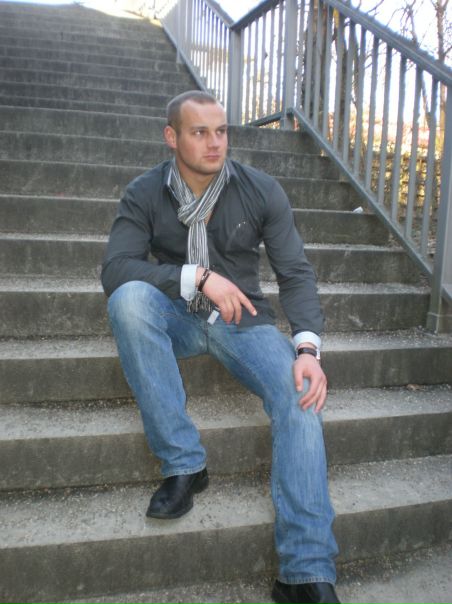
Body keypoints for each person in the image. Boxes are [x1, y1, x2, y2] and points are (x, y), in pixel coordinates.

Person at [101, 90, 341, 604]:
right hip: (178, 315)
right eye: (199, 132)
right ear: (172, 137)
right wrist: (198, 276)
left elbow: (295, 273)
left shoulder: (260, 189)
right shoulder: (145, 192)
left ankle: (305, 572)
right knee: (128, 301)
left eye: (221, 131)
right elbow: (116, 268)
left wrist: (307, 349)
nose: (215, 143)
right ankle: (184, 465)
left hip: (244, 323)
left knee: (300, 395)